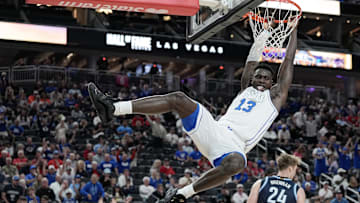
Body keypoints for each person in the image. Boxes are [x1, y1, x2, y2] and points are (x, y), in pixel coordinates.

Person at [88, 22, 298, 202]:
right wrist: (261, 38)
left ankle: (182, 195)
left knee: (237, 162)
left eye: (265, 78)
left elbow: (287, 62)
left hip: (234, 146)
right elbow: (252, 60)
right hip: (215, 129)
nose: (261, 80)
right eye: (258, 77)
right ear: (252, 79)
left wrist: (294, 29)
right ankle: (113, 108)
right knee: (179, 98)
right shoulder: (246, 88)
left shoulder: (275, 97)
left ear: (272, 83)